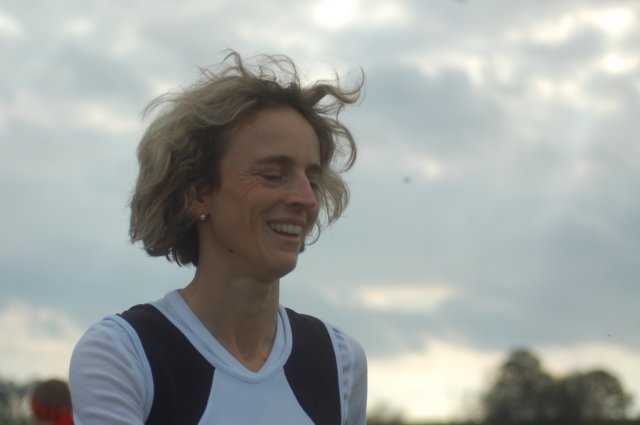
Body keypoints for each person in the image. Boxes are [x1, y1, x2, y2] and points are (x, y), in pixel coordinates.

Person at [69, 50, 367, 425]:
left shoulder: (340, 360)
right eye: (273, 175)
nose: (306, 199)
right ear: (198, 192)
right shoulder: (123, 353)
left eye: (312, 179)